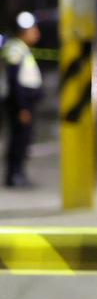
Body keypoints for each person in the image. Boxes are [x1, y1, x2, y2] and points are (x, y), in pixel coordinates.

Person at [4, 15, 42, 188]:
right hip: (20, 103)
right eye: (34, 30)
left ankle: (18, 173)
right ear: (24, 32)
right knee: (18, 140)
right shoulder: (15, 49)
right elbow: (14, 82)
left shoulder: (23, 49)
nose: (37, 34)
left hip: (25, 102)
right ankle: (14, 175)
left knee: (23, 139)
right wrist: (22, 107)